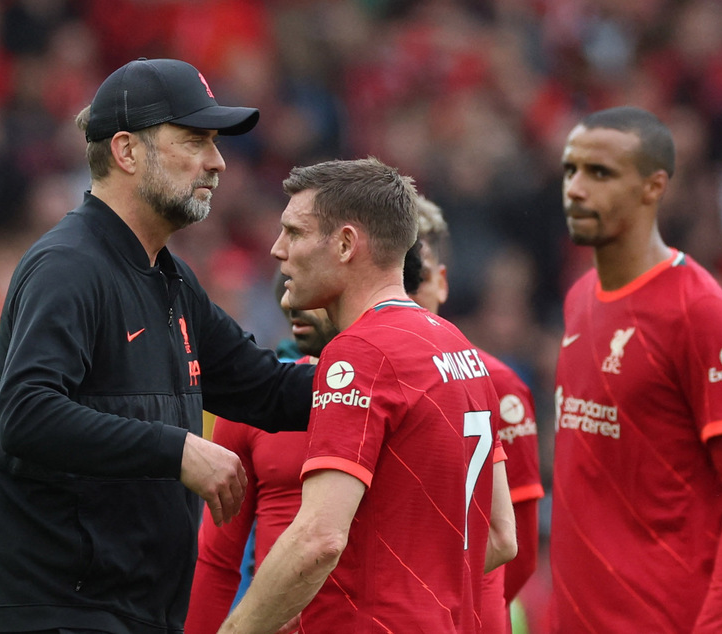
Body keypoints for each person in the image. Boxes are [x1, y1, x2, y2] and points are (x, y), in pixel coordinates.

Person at [0, 58, 315, 634]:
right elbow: (25, 414)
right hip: (58, 617)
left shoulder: (169, 278)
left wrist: (389, 376)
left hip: (131, 616)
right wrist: (178, 449)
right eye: (195, 140)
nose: (218, 161)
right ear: (127, 152)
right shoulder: (69, 266)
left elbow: (268, 388)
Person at [219, 157, 518, 633]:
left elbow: (319, 537)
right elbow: (502, 537)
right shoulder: (458, 347)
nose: (277, 251)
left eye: (294, 232)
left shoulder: (360, 352)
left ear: (344, 244)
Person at [551, 106, 722, 632]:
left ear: (654, 187)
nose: (576, 189)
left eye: (600, 173)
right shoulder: (581, 297)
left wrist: (718, 624)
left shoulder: (698, 310)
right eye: (571, 170)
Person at [406, 196, 544, 633]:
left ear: (442, 283)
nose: (405, 295)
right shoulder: (359, 376)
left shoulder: (498, 384)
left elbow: (517, 547)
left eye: (418, 279)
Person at [185, 274, 338, 633]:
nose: (289, 302)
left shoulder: (410, 396)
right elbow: (215, 561)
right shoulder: (253, 407)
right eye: (284, 284)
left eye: (309, 282)